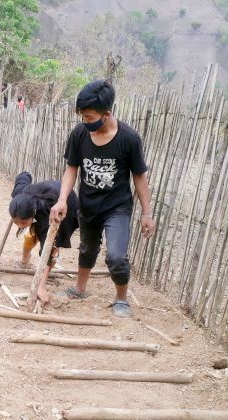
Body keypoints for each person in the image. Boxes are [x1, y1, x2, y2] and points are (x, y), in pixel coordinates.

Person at [50, 79, 155, 318]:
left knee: (116, 256)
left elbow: (139, 177)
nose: (85, 122)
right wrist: (62, 199)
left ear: (106, 114)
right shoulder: (79, 134)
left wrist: (147, 214)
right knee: (87, 248)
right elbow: (72, 168)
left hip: (116, 207)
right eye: (83, 117)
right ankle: (79, 289)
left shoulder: (129, 139)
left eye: (89, 118)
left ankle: (121, 299)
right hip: (88, 204)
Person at [9, 172, 79, 305]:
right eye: (15, 222)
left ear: (33, 214)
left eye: (23, 223)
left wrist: (40, 287)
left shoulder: (45, 217)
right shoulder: (19, 195)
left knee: (52, 246)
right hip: (46, 195)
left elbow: (47, 251)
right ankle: (24, 261)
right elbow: (24, 176)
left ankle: (41, 283)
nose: (19, 226)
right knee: (30, 236)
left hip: (66, 206)